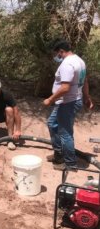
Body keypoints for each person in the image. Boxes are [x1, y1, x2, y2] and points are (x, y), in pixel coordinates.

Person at [43, 39, 93, 171]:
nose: (56, 57)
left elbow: (65, 88)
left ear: (61, 51)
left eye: (56, 54)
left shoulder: (67, 64)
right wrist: (87, 97)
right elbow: (85, 81)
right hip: (70, 100)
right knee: (52, 123)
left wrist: (50, 99)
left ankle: (70, 163)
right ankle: (59, 154)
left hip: (68, 102)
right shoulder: (79, 61)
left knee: (65, 133)